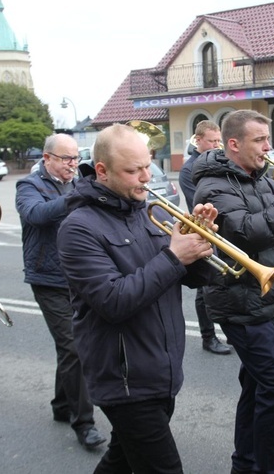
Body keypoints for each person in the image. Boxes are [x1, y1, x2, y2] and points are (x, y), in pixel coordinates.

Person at [57, 123, 217, 473]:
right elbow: (113, 301)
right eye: (133, 170)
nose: (146, 177)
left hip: (162, 367)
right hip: (124, 378)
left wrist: (201, 246)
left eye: (148, 165)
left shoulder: (151, 211)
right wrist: (174, 256)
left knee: (122, 460)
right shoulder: (78, 227)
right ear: (102, 171)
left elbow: (190, 278)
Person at [193, 109, 274, 473]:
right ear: (233, 144)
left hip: (267, 299)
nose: (269, 147)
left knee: (255, 388)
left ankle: (244, 464)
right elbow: (247, 233)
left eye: (268, 139)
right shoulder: (212, 185)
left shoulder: (262, 178)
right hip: (239, 302)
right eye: (260, 140)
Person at [15, 133, 106, 452]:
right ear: (47, 157)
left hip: (75, 275)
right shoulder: (28, 186)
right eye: (66, 158)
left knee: (69, 345)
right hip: (47, 277)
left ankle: (60, 405)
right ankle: (84, 423)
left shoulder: (74, 183)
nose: (72, 164)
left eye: (75, 158)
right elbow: (36, 215)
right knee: (73, 347)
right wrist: (77, 195)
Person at [178, 120, 230, 355]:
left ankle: (229, 332)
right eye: (212, 141)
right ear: (198, 141)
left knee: (226, 284)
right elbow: (202, 202)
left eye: (219, 141)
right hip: (205, 232)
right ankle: (208, 337)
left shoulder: (219, 161)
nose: (217, 145)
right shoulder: (189, 169)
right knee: (205, 289)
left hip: (224, 229)